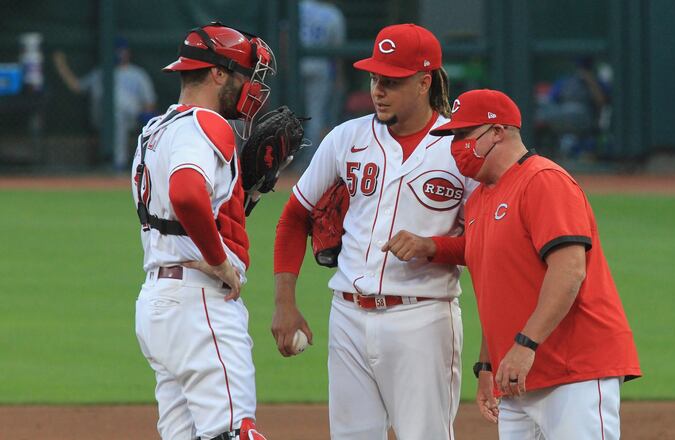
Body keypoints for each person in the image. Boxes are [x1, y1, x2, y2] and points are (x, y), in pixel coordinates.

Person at [391, 89, 641, 439]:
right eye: (452, 137)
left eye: (464, 135)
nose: (456, 146)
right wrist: (486, 365)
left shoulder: (544, 181)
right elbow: (495, 281)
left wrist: (526, 345)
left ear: (498, 131)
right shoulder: (479, 200)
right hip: (517, 377)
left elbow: (569, 271)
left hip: (573, 371)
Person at [271, 23, 475, 439]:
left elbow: (489, 245)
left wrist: (434, 247)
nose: (378, 89)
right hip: (347, 315)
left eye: (392, 81)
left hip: (422, 318)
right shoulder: (347, 137)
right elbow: (295, 216)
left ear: (424, 82)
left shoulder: (460, 150)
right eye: (375, 77)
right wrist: (284, 302)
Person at [130, 23, 276, 440]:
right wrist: (219, 260)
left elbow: (188, 208)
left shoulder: (154, 131)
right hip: (198, 305)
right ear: (218, 74)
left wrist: (241, 198)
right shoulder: (206, 125)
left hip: (158, 306)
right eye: (245, 76)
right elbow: (188, 196)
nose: (251, 88)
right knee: (236, 432)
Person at [53, 37, 157, 171]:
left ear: (128, 52)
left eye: (122, 51)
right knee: (115, 104)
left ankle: (119, 163)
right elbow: (76, 86)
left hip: (131, 119)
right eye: (117, 51)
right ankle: (119, 162)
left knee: (119, 113)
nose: (120, 54)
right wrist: (60, 64)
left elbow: (150, 103)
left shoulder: (137, 74)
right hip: (103, 118)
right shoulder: (101, 73)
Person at [295, 0, 346, 169]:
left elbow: (284, 35)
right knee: (315, 115)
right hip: (320, 67)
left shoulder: (300, 7)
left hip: (297, 65)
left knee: (291, 112)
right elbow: (337, 51)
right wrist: (339, 77)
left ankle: (292, 157)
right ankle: (310, 160)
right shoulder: (333, 14)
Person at [535, 56, 610, 159]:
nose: (582, 70)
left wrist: (590, 81)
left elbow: (602, 103)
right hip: (562, 117)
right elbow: (550, 101)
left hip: (586, 121)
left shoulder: (597, 82)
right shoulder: (566, 81)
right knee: (540, 117)